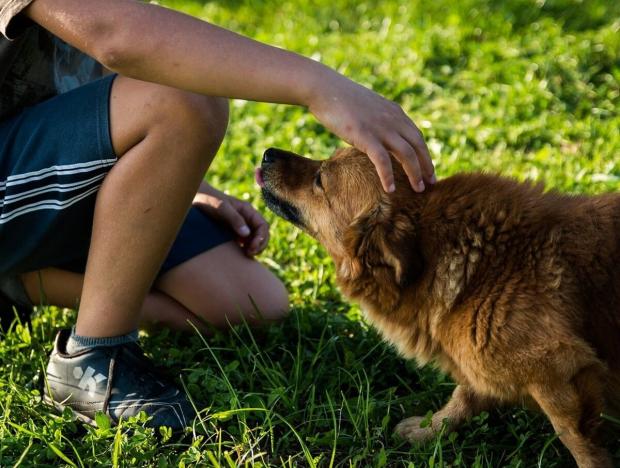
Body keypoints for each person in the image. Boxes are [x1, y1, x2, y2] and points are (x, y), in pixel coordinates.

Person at [0, 0, 435, 430]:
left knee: (249, 303)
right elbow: (115, 36)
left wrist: (172, 181)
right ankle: (93, 358)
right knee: (186, 99)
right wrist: (319, 86)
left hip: (39, 164)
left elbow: (98, 65)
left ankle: (15, 284)